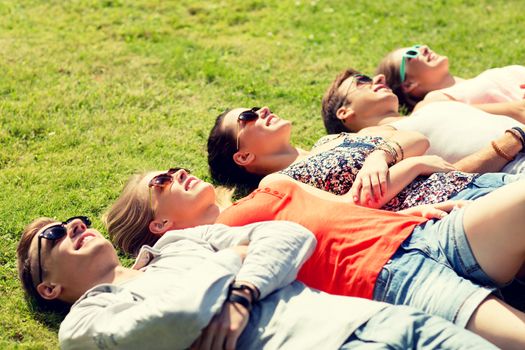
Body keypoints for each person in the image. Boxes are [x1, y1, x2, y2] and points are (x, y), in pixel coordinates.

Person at [105, 167, 525, 348]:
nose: (176, 174)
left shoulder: (271, 184)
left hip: (423, 233)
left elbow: (342, 206)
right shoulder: (205, 251)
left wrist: (401, 214)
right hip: (389, 280)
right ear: (157, 225)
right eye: (160, 183)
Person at [16, 218, 494, 350]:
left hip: (380, 318)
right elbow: (171, 318)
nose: (74, 227)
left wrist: (242, 295)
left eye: (75, 221)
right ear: (48, 288)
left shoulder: (181, 242)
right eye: (55, 235)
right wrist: (234, 257)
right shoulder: (83, 325)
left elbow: (290, 234)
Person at [208, 105, 521, 210]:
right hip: (447, 207)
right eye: (247, 117)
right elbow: (355, 206)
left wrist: (380, 157)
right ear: (243, 156)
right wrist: (412, 165)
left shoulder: (332, 140)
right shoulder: (280, 182)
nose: (261, 110)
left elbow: (415, 139)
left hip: (471, 182)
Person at [322, 69, 525, 174]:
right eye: (362, 81)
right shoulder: (373, 141)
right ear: (344, 112)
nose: (379, 78)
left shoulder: (426, 107)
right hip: (514, 168)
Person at [376, 44, 525, 115]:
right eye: (411, 54)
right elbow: (425, 113)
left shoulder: (474, 82)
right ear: (408, 84)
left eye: (418, 46)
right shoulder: (435, 100)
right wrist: (517, 108)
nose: (424, 48)